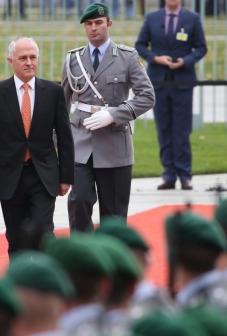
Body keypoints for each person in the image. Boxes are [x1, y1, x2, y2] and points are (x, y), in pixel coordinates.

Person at [0, 37, 74, 256]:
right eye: (23, 58)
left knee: (44, 233)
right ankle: (19, 285)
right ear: (11, 61)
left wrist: (66, 177)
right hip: (9, 176)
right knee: (16, 236)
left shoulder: (54, 92)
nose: (29, 62)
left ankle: (46, 283)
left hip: (43, 174)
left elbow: (65, 138)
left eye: (33, 57)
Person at [61, 3, 155, 232]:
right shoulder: (73, 59)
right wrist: (57, 143)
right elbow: (62, 104)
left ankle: (112, 260)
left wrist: (114, 114)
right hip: (81, 140)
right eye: (89, 24)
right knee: (79, 200)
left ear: (109, 24)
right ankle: (83, 256)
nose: (94, 28)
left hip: (114, 142)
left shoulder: (127, 57)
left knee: (113, 210)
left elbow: (147, 96)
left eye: (99, 23)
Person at [135, 0, 207, 190]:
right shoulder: (152, 18)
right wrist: (155, 58)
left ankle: (185, 174)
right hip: (159, 82)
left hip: (182, 82)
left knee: (182, 131)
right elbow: (140, 45)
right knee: (164, 129)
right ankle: (169, 174)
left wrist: (185, 61)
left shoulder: (193, 18)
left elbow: (201, 47)